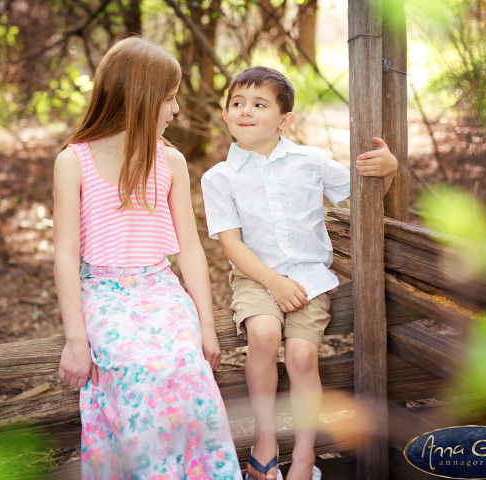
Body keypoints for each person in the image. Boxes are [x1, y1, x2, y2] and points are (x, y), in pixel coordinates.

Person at [54, 36, 243, 479]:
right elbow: (65, 256)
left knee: (185, 365)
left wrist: (206, 326)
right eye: (169, 99)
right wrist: (76, 339)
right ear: (139, 99)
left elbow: (191, 250)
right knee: (135, 368)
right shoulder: (73, 162)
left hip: (160, 287)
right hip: (103, 291)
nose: (176, 110)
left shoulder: (170, 161)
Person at [201, 67, 398, 480]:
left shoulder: (311, 161)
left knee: (303, 355)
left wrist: (389, 169)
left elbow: (363, 197)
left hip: (311, 278)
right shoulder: (219, 177)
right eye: (237, 104)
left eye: (259, 104)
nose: (246, 111)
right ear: (225, 114)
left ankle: (305, 455)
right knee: (265, 334)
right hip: (256, 278)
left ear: (285, 119)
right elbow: (231, 245)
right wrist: (273, 282)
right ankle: (266, 440)